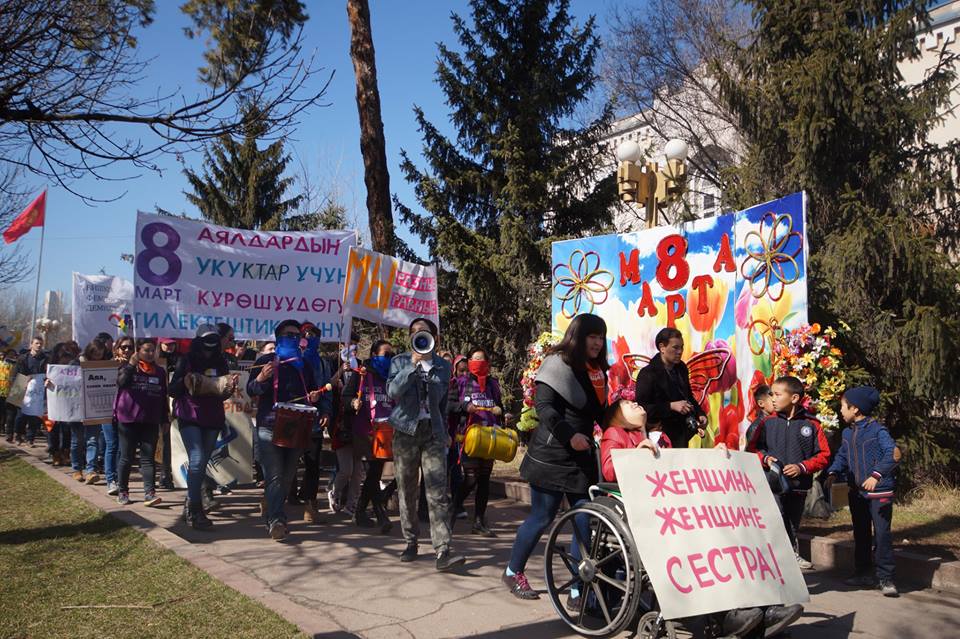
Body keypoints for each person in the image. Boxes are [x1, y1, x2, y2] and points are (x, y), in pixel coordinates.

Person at [503, 313, 607, 601]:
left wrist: (633, 425)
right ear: (578, 336)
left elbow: (601, 414)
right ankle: (513, 572)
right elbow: (545, 408)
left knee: (584, 520)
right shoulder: (556, 363)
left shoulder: (597, 370)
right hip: (551, 453)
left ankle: (578, 588)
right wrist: (568, 435)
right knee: (542, 516)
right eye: (592, 336)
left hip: (582, 457)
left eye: (601, 337)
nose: (598, 342)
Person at [386, 317, 465, 571]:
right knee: (407, 489)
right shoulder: (399, 361)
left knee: (437, 491)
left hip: (432, 432)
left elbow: (441, 404)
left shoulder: (443, 366)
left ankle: (442, 550)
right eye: (414, 332)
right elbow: (393, 393)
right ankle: (410, 541)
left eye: (424, 331)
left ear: (434, 336)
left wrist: (444, 431)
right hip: (405, 431)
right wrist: (412, 366)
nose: (419, 335)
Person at [247, 319, 323, 541]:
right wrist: (261, 378)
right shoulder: (266, 361)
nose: (292, 337)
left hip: (296, 427)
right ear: (278, 337)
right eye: (288, 334)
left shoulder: (304, 365)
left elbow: (311, 392)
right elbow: (251, 389)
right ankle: (276, 520)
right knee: (275, 475)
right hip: (269, 426)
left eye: (295, 334)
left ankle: (272, 510)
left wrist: (314, 397)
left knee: (288, 477)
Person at [826, 386, 899, 596]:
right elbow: (842, 455)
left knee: (882, 534)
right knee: (861, 533)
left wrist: (876, 475)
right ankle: (863, 572)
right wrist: (833, 472)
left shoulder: (878, 431)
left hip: (880, 492)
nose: (840, 410)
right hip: (856, 492)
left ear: (855, 409)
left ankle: (886, 578)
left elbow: (892, 455)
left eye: (843, 406)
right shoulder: (848, 432)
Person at [755, 376, 830, 570]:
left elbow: (823, 455)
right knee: (775, 521)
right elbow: (753, 449)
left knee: (791, 523)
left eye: (778, 394)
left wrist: (802, 467)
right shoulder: (766, 423)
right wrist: (765, 459)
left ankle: (789, 560)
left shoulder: (811, 424)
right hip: (771, 485)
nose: (773, 398)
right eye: (771, 394)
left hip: (798, 487)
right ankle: (774, 565)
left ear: (794, 398)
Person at [170, 324, 237, 530]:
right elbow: (173, 390)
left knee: (202, 462)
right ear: (198, 339)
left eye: (215, 338)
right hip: (189, 415)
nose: (211, 343)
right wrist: (186, 380)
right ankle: (195, 508)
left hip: (212, 417)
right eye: (207, 338)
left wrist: (228, 386)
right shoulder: (186, 360)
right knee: (197, 459)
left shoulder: (221, 361)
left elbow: (223, 393)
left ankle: (190, 502)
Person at [449, 347, 504, 537]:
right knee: (471, 478)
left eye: (482, 359)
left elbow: (500, 407)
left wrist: (501, 412)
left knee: (484, 480)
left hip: (490, 437)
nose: (478, 363)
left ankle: (479, 521)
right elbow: (449, 405)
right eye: (474, 359)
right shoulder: (460, 382)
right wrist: (465, 406)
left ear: (487, 363)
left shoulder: (493, 385)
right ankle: (452, 510)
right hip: (469, 436)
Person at [115, 338, 168, 507]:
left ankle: (149, 492)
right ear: (138, 351)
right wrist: (131, 366)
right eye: (146, 350)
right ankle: (122, 490)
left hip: (150, 420)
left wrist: (165, 419)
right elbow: (121, 383)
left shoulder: (160, 372)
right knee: (127, 457)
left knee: (148, 458)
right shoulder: (127, 367)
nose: (151, 354)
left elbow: (162, 396)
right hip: (128, 419)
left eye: (153, 350)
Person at [633, 327, 706, 448]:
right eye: (675, 347)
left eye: (681, 347)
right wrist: (670, 406)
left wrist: (700, 414)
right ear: (662, 347)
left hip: (681, 435)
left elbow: (688, 396)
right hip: (659, 438)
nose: (680, 351)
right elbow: (642, 408)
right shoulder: (648, 374)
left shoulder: (681, 368)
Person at [353, 339, 395, 533]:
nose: (389, 359)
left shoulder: (393, 378)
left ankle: (361, 510)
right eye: (386, 355)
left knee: (375, 472)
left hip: (387, 431)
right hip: (366, 431)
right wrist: (353, 402)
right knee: (373, 471)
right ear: (374, 355)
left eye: (392, 356)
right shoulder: (362, 374)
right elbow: (346, 396)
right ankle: (380, 514)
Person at [296, 322, 335, 522]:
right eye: (305, 334)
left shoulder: (322, 363)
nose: (309, 337)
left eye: (313, 334)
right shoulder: (290, 359)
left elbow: (326, 389)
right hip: (292, 418)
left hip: (314, 420)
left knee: (313, 463)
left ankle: (310, 504)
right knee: (288, 463)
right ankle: (276, 499)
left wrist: (326, 411)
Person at [100, 336, 135, 495]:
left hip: (126, 412)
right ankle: (111, 480)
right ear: (116, 349)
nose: (127, 350)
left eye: (130, 347)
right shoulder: (108, 364)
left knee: (123, 449)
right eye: (124, 347)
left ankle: (120, 480)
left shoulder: (136, 366)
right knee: (111, 445)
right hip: (107, 409)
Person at [75, 339, 111, 484]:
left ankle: (90, 470)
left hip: (95, 409)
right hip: (78, 407)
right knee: (77, 441)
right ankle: (77, 468)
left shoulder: (107, 364)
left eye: (100, 354)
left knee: (92, 440)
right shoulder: (77, 363)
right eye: (95, 353)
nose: (97, 356)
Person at [43, 343, 77, 466]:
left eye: (68, 357)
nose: (66, 360)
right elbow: (41, 380)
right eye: (64, 357)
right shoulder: (50, 368)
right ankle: (55, 452)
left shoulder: (74, 368)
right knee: (53, 429)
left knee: (67, 428)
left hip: (68, 402)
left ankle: (65, 452)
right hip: (52, 402)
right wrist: (45, 382)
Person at [14, 336, 48, 446]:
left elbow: (48, 372)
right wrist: (24, 378)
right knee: (21, 415)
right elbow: (16, 373)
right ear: (31, 345)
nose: (39, 346)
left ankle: (30, 438)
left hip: (38, 390)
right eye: (37, 343)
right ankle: (18, 434)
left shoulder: (45, 359)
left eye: (40, 344)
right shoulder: (23, 358)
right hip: (23, 387)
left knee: (35, 415)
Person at [157, 338, 180, 490]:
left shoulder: (181, 359)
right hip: (159, 402)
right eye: (167, 344)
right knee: (163, 441)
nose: (170, 346)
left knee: (175, 441)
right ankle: (164, 473)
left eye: (172, 344)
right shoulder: (155, 360)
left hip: (176, 401)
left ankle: (172, 474)